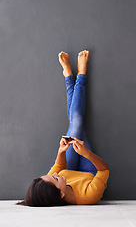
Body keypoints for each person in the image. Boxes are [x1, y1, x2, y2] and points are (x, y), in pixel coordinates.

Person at [16, 50, 110, 207]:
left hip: (70, 167)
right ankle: (72, 77)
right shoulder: (88, 197)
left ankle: (76, 76)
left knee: (76, 123)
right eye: (54, 178)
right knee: (76, 122)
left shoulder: (52, 182)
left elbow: (59, 167)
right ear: (61, 194)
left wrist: (61, 151)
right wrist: (86, 153)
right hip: (90, 172)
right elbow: (104, 170)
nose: (53, 173)